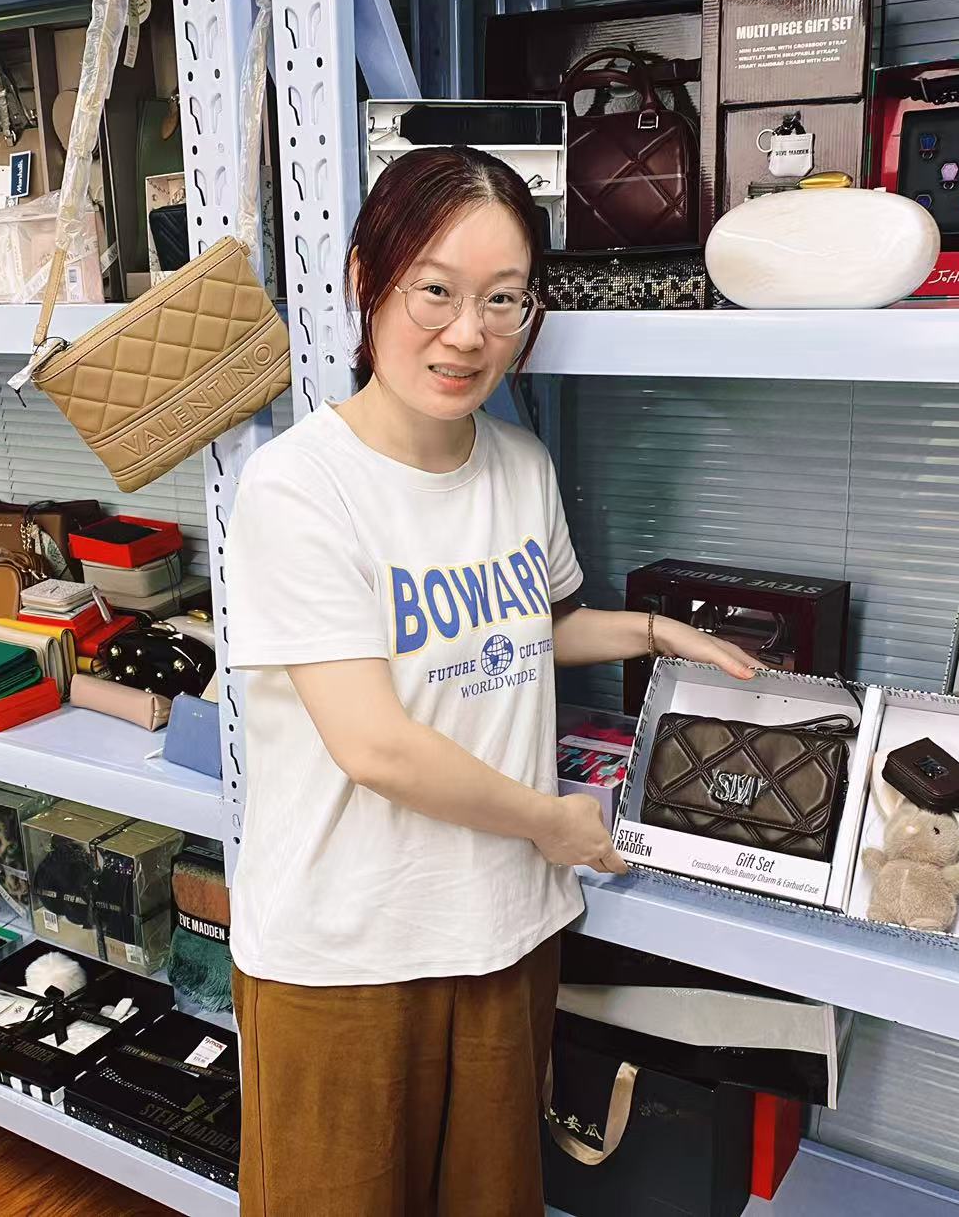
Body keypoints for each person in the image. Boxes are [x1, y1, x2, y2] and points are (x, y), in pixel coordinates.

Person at [224, 145, 757, 1216]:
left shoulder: (519, 465)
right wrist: (551, 823)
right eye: (436, 290)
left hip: (505, 933)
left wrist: (656, 632)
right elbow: (373, 744)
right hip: (346, 949)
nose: (467, 333)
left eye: (502, 299)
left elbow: (529, 627)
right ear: (368, 279)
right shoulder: (297, 486)